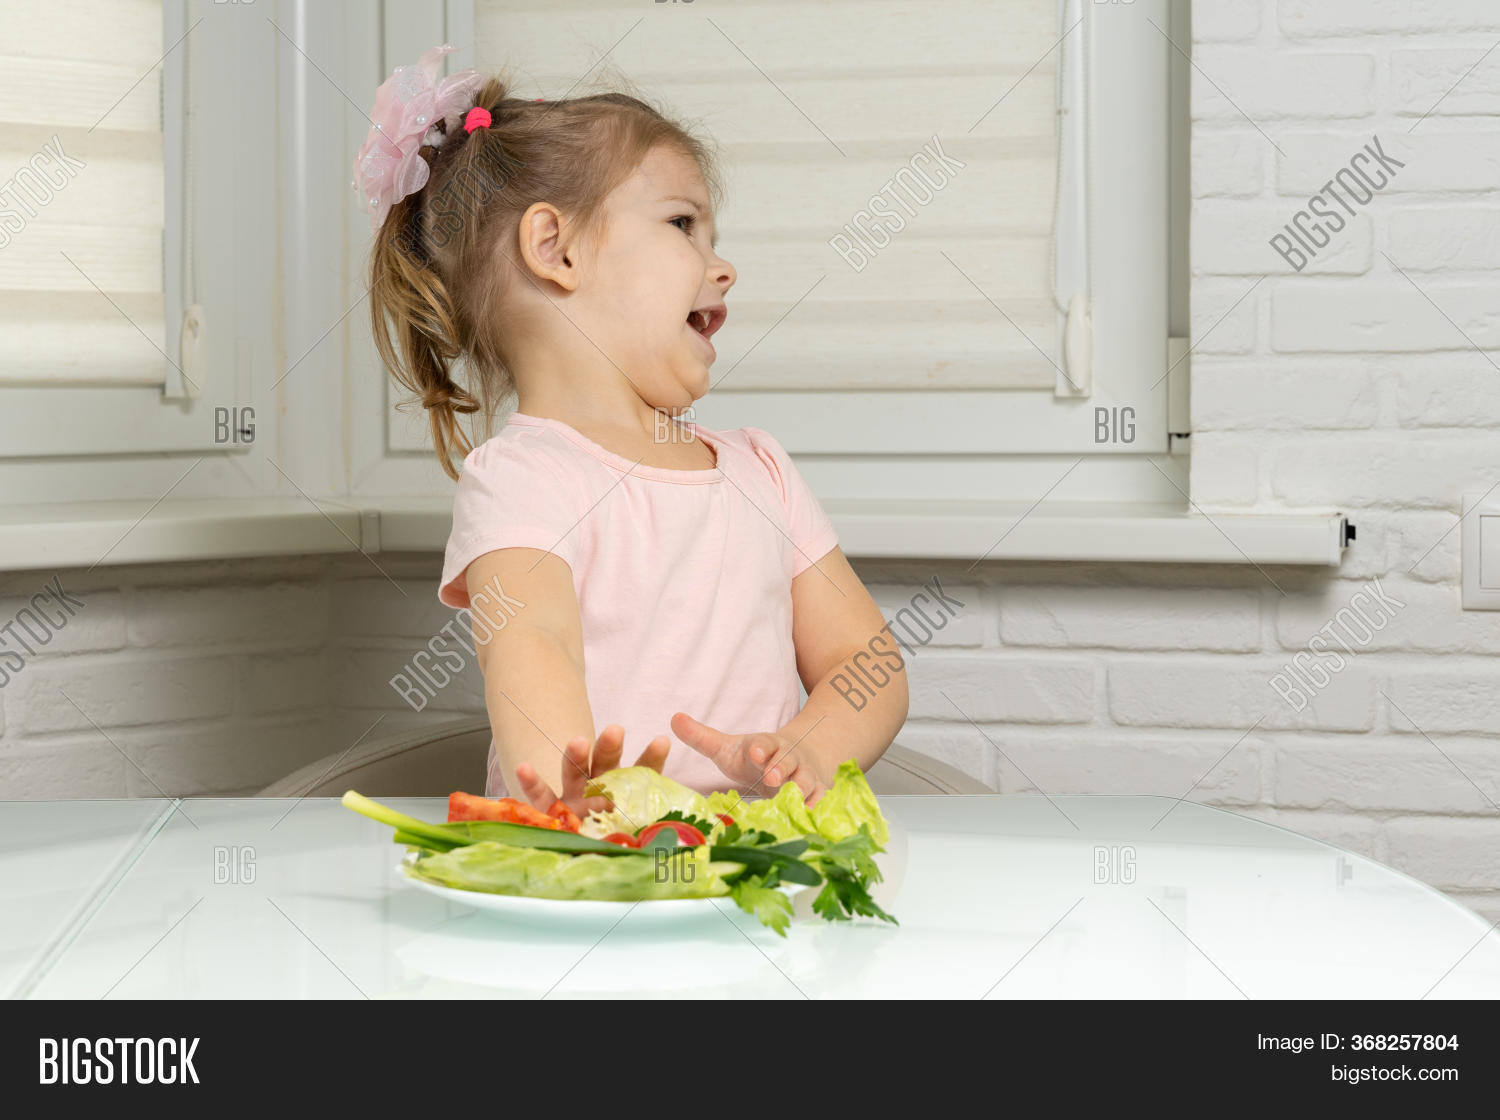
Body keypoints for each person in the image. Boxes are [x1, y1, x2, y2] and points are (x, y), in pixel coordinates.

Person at [359, 46, 906, 814]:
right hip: (597, 876)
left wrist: (809, 747)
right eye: (684, 224)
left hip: (759, 870)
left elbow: (865, 657)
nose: (723, 268)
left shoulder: (760, 471)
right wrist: (565, 797)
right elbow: (533, 644)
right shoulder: (524, 480)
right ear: (557, 249)